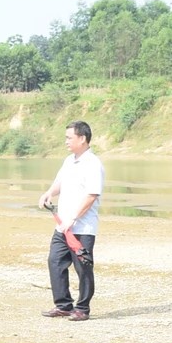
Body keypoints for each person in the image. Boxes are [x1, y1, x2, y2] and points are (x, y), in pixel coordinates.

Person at [38, 120, 103, 320]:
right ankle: (63, 304)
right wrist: (49, 193)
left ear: (82, 139)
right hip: (62, 226)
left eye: (69, 137)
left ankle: (82, 309)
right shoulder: (69, 161)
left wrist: (73, 219)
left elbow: (91, 196)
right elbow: (60, 183)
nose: (66, 141)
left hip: (82, 227)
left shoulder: (93, 164)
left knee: (82, 267)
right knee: (55, 261)